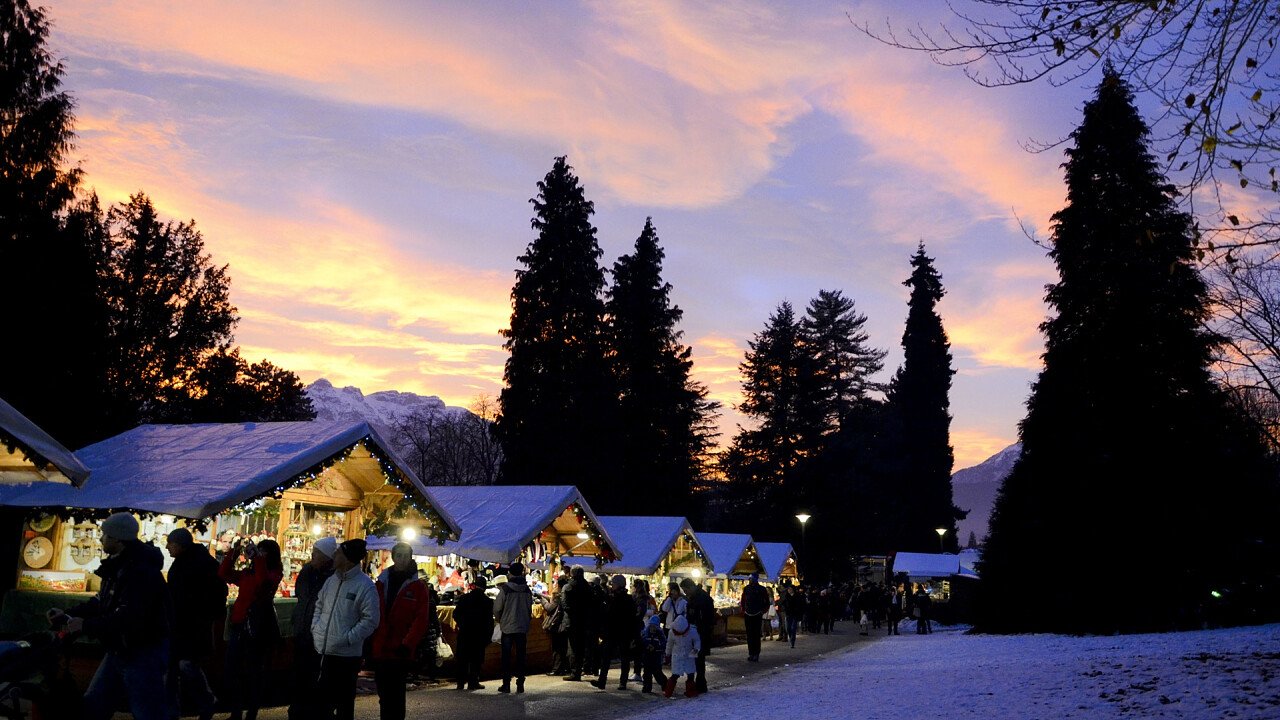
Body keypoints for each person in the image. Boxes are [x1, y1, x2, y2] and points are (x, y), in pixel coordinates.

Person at [49, 512, 169, 720]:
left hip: (141, 652)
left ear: (118, 539)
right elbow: (102, 602)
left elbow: (130, 616)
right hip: (119, 650)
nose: (101, 539)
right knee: (95, 706)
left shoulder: (140, 572)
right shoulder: (118, 566)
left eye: (105, 535)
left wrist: (85, 625)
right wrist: (69, 614)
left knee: (147, 711)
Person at [312, 538, 380, 720]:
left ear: (348, 558)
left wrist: (348, 638)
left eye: (339, 553)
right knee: (322, 704)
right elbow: (319, 605)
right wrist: (316, 628)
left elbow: (371, 620)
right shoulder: (331, 581)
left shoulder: (365, 586)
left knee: (343, 705)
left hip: (347, 657)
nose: (334, 555)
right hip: (324, 651)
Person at [165, 527, 226, 720]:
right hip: (181, 622)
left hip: (193, 624)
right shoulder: (188, 561)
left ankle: (205, 701)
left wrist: (204, 612)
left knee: (185, 665)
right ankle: (174, 710)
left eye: (170, 543)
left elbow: (217, 591)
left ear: (180, 544)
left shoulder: (201, 563)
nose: (167, 547)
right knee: (175, 667)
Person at [219, 536, 283, 720]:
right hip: (240, 624)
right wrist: (233, 552)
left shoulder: (273, 573)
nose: (258, 554)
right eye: (258, 550)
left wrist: (257, 558)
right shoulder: (249, 572)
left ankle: (252, 711)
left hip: (258, 626)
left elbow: (261, 582)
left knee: (254, 671)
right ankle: (236, 710)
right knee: (232, 669)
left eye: (263, 551)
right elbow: (223, 574)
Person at [372, 542, 432, 720]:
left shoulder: (418, 587)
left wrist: (408, 643)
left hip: (401, 649)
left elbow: (421, 619)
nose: (402, 559)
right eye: (399, 555)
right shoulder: (382, 581)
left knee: (396, 694)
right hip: (380, 646)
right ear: (393, 556)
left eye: (406, 556)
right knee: (383, 693)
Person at [288, 536, 336, 720]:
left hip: (319, 634)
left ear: (325, 556)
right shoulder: (307, 571)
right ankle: (297, 709)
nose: (312, 556)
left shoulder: (333, 577)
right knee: (300, 673)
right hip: (302, 630)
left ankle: (316, 711)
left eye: (316, 553)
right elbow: (302, 596)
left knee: (316, 675)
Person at [493, 561, 534, 693]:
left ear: (510, 573)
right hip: (522, 627)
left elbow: (497, 608)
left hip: (508, 627)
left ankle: (506, 684)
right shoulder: (527, 589)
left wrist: (500, 620)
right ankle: (520, 684)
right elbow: (529, 608)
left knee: (506, 656)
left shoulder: (505, 589)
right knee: (521, 656)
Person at [594, 574, 638, 690]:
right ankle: (615, 682)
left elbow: (609, 614)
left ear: (618, 585)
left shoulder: (616, 598)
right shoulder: (626, 599)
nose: (612, 586)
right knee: (620, 657)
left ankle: (606, 681)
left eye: (613, 584)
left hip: (616, 631)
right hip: (620, 632)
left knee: (613, 657)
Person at [453, 574, 494, 690]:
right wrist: (488, 636)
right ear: (485, 588)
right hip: (479, 634)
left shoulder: (464, 598)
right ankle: (473, 682)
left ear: (474, 586)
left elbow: (455, 614)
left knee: (463, 659)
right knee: (476, 660)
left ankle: (460, 682)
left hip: (465, 633)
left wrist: (462, 624)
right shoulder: (487, 601)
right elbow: (489, 621)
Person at [679, 578, 714, 694]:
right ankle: (696, 684)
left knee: (697, 660)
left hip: (699, 635)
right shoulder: (695, 598)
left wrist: (701, 632)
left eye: (685, 590)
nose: (685, 593)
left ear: (691, 588)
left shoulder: (702, 599)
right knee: (694, 660)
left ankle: (698, 685)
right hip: (694, 634)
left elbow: (706, 619)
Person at [561, 566, 592, 681]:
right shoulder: (587, 587)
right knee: (581, 647)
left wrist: (573, 612)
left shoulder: (568, 587)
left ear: (572, 574)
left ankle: (575, 672)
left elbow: (564, 605)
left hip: (572, 621)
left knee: (573, 648)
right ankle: (579, 669)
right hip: (584, 621)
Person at [662, 615, 700, 699]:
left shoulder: (692, 631)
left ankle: (689, 691)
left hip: (688, 655)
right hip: (677, 656)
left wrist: (696, 649)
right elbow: (669, 644)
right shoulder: (672, 632)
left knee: (690, 674)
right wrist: (667, 654)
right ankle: (668, 691)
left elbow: (697, 641)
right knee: (675, 674)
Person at [542, 576, 570, 676]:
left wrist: (543, 601)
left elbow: (550, 608)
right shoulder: (567, 593)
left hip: (558, 624)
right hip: (566, 623)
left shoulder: (558, 594)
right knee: (563, 647)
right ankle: (564, 668)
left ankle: (556, 669)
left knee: (557, 647)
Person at [739, 573, 769, 663]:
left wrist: (762, 611)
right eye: (749, 578)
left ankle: (756, 653)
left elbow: (766, 602)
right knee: (749, 635)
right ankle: (751, 653)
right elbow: (743, 600)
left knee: (756, 635)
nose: (750, 580)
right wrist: (744, 610)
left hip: (757, 614)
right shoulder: (746, 588)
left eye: (751, 578)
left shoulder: (761, 589)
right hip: (748, 614)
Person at [639, 614, 668, 694]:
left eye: (654, 626)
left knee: (657, 673)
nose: (652, 628)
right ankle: (647, 687)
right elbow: (643, 642)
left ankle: (664, 683)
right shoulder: (646, 633)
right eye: (651, 626)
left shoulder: (660, 635)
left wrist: (655, 647)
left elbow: (663, 644)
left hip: (656, 656)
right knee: (647, 673)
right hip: (647, 656)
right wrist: (647, 646)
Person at [783, 584, 805, 648]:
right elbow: (783, 603)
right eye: (788, 589)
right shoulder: (786, 596)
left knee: (793, 628)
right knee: (788, 628)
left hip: (795, 614)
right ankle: (791, 638)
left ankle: (792, 642)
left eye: (790, 589)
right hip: (788, 614)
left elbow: (801, 605)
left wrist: (799, 612)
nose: (789, 590)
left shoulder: (797, 596)